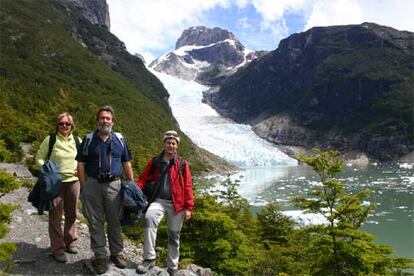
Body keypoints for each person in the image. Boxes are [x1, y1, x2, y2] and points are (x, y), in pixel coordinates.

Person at [76, 105, 134, 274]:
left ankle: (117, 253)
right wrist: (83, 184)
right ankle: (100, 256)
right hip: (92, 184)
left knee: (115, 220)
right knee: (95, 222)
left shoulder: (120, 139)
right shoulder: (88, 139)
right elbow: (81, 163)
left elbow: (126, 162)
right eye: (102, 118)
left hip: (114, 185)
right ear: (97, 121)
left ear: (113, 122)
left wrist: (131, 183)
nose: (105, 121)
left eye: (108, 119)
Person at [136, 130, 194, 276]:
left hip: (177, 204)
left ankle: (172, 267)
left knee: (174, 235)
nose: (171, 145)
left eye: (173, 143)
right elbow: (143, 178)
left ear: (177, 146)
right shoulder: (155, 162)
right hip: (158, 201)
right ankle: (149, 258)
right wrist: (136, 189)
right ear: (164, 143)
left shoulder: (182, 164)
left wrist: (188, 207)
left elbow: (188, 185)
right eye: (168, 142)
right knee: (149, 219)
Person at [36, 112, 81, 263]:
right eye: (61, 123)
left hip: (74, 181)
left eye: (67, 124)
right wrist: (48, 170)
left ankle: (71, 242)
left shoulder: (77, 140)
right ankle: (57, 249)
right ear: (57, 124)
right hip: (55, 182)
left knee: (72, 213)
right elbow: (40, 158)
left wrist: (80, 169)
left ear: (71, 125)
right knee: (55, 216)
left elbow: (82, 160)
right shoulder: (51, 139)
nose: (64, 126)